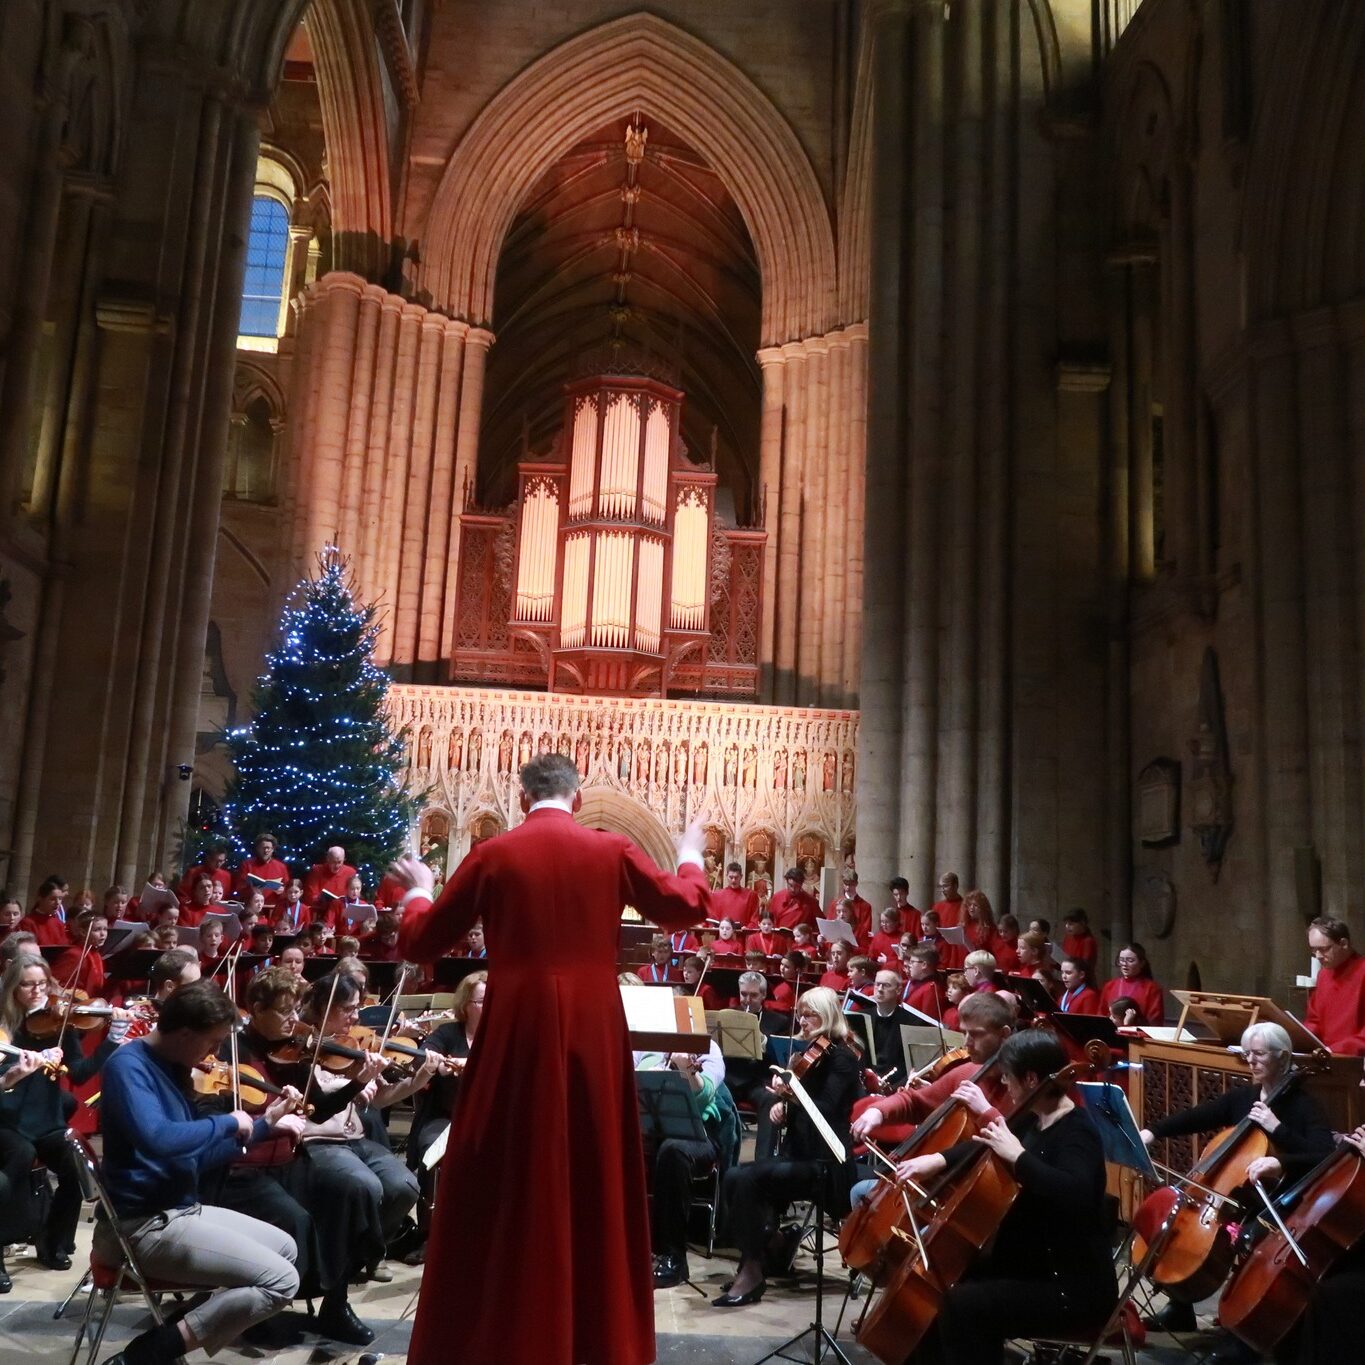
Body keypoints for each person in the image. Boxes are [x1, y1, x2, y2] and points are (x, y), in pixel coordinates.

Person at [389, 751, 713, 1365]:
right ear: (579, 799)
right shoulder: (610, 849)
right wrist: (691, 851)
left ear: (519, 799)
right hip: (593, 1032)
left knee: (508, 1171)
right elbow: (684, 905)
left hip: (517, 1029)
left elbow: (420, 941)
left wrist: (422, 892)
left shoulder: (493, 854)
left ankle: (501, 1332)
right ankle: (597, 1338)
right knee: (595, 1170)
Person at [95, 979, 303, 1365]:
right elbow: (158, 1139)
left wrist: (263, 1126)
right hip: (140, 1226)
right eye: (212, 1041)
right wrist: (227, 1122)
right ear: (185, 1032)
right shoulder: (128, 1067)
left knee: (286, 1248)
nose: (216, 1052)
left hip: (178, 1209)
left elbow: (194, 1157)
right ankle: (147, 1355)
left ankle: (173, 1331)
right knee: (281, 1281)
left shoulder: (173, 1068)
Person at [895, 1031, 1118, 1362]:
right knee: (938, 1286)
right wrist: (936, 1160)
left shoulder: (1077, 1132)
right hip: (1028, 1264)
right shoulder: (1032, 1116)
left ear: (1030, 1079)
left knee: (964, 1306)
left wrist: (1019, 1157)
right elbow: (987, 1141)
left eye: (1008, 1078)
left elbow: (1078, 1194)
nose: (1005, 1087)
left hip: (1068, 1284)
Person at [1139, 1021, 1334, 1344]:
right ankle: (1180, 1305)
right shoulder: (1246, 1097)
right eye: (1247, 1055)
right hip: (1239, 1197)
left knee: (1246, 1236)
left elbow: (1324, 1154)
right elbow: (1202, 1115)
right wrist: (1154, 1131)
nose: (1251, 1062)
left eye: (1258, 1054)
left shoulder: (1303, 1105)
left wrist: (1279, 1153)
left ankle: (1243, 1326)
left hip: (1280, 1197)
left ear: (1283, 1057)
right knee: (1176, 1221)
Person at [717, 986, 863, 1307]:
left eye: (809, 1014)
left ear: (827, 1015)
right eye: (800, 1013)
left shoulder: (842, 1058)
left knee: (749, 1179)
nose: (802, 1019)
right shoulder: (806, 1055)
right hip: (800, 1154)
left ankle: (754, 1269)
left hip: (828, 1163)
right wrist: (782, 1104)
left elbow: (823, 1109)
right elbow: (802, 1110)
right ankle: (770, 1247)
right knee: (733, 1177)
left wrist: (791, 1096)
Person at [0, 954, 120, 1270]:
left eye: (42, 983)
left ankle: (52, 1240)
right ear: (13, 989)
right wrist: (18, 1070)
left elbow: (79, 1073)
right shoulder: (4, 1025)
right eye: (27, 985)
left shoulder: (61, 1022)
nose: (37, 991)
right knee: (20, 1156)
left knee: (76, 1164)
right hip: (6, 1120)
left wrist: (113, 1041)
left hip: (45, 1119)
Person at [851, 991, 1015, 1147]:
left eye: (976, 1034)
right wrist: (878, 1111)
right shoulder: (968, 1072)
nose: (966, 1043)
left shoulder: (1023, 1083)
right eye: (964, 1033)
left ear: (1004, 1034)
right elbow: (915, 1102)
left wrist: (985, 1111)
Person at [639, 1041, 741, 1290]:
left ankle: (674, 1257)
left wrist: (686, 1071)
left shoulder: (708, 1049)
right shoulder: (646, 1046)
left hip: (701, 1135)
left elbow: (705, 1093)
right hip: (649, 1132)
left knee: (673, 1151)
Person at [406, 971, 486, 1261]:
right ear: (466, 1004)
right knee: (430, 1150)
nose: (487, 1006)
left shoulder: (500, 1035)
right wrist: (434, 1064)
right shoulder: (448, 1033)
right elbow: (423, 1056)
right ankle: (430, 1234)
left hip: (488, 1120)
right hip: (446, 1117)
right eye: (480, 1000)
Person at [1303, 916, 1365, 1055]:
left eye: (1324, 949)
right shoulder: (1323, 975)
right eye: (1313, 949)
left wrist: (1335, 1050)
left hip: (1355, 1061)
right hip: (1326, 1057)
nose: (1318, 956)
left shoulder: (1362, 971)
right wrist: (1298, 1037)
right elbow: (1314, 1020)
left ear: (1343, 943)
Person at [1100, 941, 1165, 1024]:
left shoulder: (1152, 988)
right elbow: (1101, 1014)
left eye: (1130, 960)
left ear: (1142, 963)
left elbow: (1155, 1021)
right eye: (1121, 960)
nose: (1124, 964)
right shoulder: (1110, 986)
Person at [234, 832, 289, 911]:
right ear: (257, 848)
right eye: (263, 847)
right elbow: (239, 888)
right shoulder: (247, 864)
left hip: (273, 909)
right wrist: (251, 890)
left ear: (273, 849)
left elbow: (287, 889)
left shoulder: (281, 867)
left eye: (268, 848)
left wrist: (281, 891)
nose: (266, 850)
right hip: (251, 909)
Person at [302, 846, 358, 921]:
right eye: (334, 862)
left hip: (343, 913)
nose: (337, 866)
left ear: (344, 860)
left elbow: (354, 893)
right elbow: (310, 894)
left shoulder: (350, 872)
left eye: (339, 862)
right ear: (328, 859)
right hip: (321, 912)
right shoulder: (317, 871)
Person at [17, 875, 68, 947]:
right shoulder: (27, 923)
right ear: (40, 898)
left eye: (60, 899)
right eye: (52, 899)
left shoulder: (58, 924)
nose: (57, 903)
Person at [826, 869, 874, 942]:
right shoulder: (835, 903)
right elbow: (829, 924)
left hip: (856, 943)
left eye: (851, 884)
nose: (848, 887)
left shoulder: (865, 906)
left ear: (856, 884)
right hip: (836, 941)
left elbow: (865, 930)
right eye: (846, 883)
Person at [769, 867, 820, 932]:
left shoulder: (811, 902)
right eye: (790, 885)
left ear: (801, 884)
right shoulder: (777, 897)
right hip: (778, 938)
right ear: (786, 882)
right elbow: (769, 919)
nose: (793, 889)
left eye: (796, 886)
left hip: (799, 939)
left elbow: (819, 925)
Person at [712, 861, 759, 928]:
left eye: (736, 877)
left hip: (743, 936)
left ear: (741, 877)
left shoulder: (751, 895)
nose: (733, 880)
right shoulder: (717, 896)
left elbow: (754, 919)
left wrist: (747, 928)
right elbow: (713, 919)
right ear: (726, 876)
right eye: (731, 877)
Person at [888, 876, 922, 940]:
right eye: (896, 894)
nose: (898, 897)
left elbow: (918, 937)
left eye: (901, 894)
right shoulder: (891, 913)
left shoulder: (916, 914)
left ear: (907, 893)